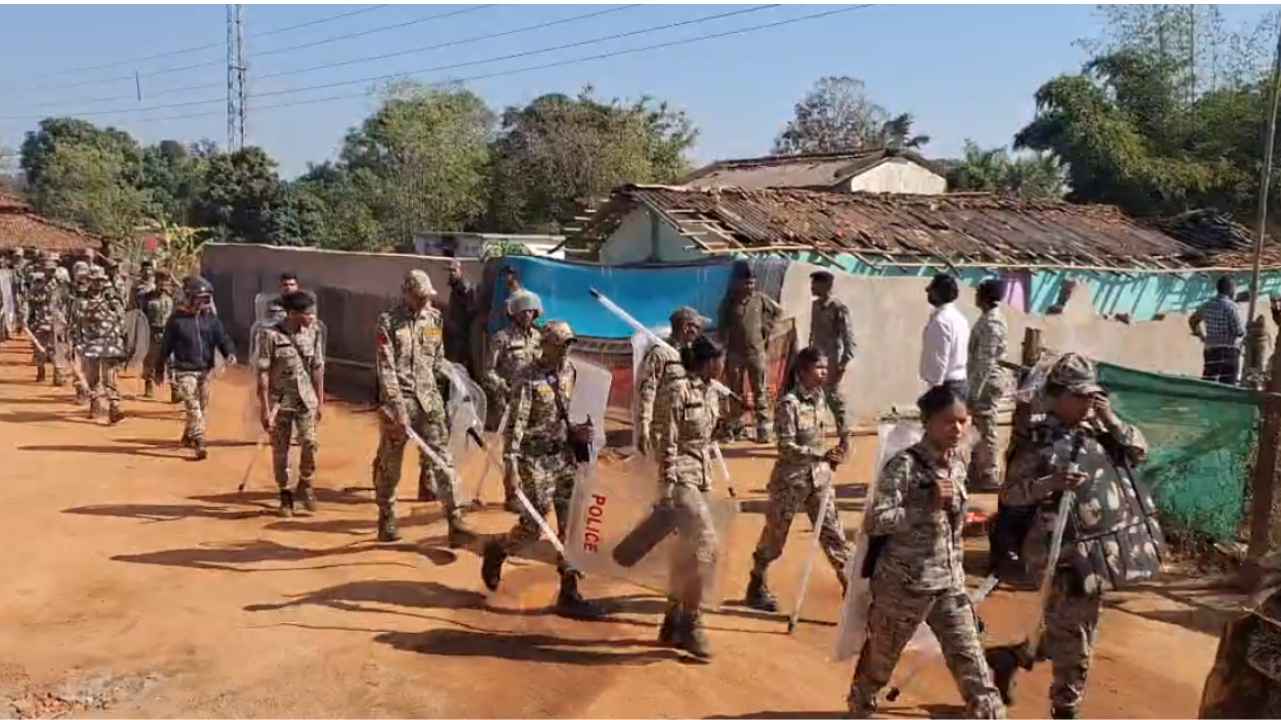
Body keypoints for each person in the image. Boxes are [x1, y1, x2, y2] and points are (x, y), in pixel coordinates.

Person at [991, 353, 1162, 719]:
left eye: (1092, 396)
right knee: (1076, 636)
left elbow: (1140, 452)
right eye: (1080, 396)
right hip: (1060, 555)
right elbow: (1011, 494)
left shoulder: (1099, 431)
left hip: (1100, 551)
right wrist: (1049, 483)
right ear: (1057, 396)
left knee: (1069, 630)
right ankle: (1065, 709)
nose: (1087, 403)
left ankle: (1013, 657)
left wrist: (1110, 417)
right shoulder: (1038, 440)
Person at [847, 384, 1006, 719]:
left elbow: (954, 521)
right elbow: (876, 521)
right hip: (904, 585)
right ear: (928, 421)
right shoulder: (904, 466)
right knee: (881, 660)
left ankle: (988, 712)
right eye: (949, 421)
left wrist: (975, 522)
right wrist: (925, 506)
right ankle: (860, 704)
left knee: (972, 663)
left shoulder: (959, 463)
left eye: (963, 422)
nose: (958, 429)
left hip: (949, 583)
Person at [481, 320, 604, 620]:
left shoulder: (571, 373)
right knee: (533, 527)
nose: (565, 351)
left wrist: (582, 431)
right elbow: (516, 424)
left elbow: (576, 413)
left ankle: (569, 592)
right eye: (560, 345)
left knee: (571, 525)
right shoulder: (528, 377)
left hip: (563, 457)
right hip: (532, 460)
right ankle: (498, 549)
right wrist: (510, 465)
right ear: (546, 345)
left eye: (568, 345)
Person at [372, 270, 475, 546]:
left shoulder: (434, 319)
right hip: (400, 402)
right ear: (406, 293)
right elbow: (386, 368)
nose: (424, 302)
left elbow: (437, 359)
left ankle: (455, 520)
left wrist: (457, 380)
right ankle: (387, 515)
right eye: (419, 297)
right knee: (390, 463)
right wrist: (396, 407)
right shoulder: (388, 323)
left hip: (430, 402)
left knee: (442, 458)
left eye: (427, 297)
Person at [744, 347, 851, 612]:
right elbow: (786, 446)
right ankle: (757, 583)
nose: (824, 372)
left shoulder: (821, 398)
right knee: (774, 538)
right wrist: (820, 455)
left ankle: (852, 591)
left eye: (825, 367)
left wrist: (838, 448)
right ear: (803, 371)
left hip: (820, 479)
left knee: (834, 536)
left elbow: (829, 429)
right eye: (819, 367)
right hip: (791, 480)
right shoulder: (788, 404)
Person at [652, 334, 727, 660]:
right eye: (720, 360)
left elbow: (710, 435)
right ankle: (691, 621)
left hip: (701, 476)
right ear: (709, 361)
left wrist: (736, 417)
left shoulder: (712, 392)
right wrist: (667, 485)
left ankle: (671, 619)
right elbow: (665, 438)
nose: (724, 366)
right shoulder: (678, 389)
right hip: (680, 478)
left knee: (684, 551)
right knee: (706, 544)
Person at [257, 290, 325, 517]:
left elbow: (317, 367)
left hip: (306, 399)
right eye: (307, 313)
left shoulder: (314, 333)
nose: (311, 317)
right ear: (293, 313)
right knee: (281, 450)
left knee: (310, 443)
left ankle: (306, 483)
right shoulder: (270, 336)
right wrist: (265, 408)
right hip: (281, 401)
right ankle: (285, 493)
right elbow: (264, 373)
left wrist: (320, 400)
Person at [153, 277, 236, 460]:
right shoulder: (177, 320)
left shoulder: (211, 320)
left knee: (203, 405)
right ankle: (199, 441)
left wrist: (229, 352)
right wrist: (159, 368)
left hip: (205, 370)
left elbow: (222, 338)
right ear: (190, 297)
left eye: (207, 298)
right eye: (201, 298)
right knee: (192, 404)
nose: (205, 302)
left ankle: (188, 433)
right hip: (184, 370)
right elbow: (166, 345)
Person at [484, 288, 543, 510]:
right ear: (514, 313)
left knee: (532, 449)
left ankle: (531, 493)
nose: (528, 315)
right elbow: (488, 371)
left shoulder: (540, 338)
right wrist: (504, 387)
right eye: (523, 311)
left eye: (531, 311)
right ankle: (512, 495)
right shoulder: (501, 339)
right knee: (512, 451)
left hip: (536, 404)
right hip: (510, 404)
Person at [718, 263, 783, 443]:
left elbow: (778, 312)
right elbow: (722, 324)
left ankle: (764, 431)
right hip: (735, 354)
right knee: (735, 393)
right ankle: (737, 429)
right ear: (738, 283)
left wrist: (766, 328)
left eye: (752, 283)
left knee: (759, 391)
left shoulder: (760, 299)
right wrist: (722, 343)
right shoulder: (730, 302)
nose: (750, 287)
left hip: (757, 353)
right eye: (747, 283)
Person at [636, 306, 705, 456]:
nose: (698, 332)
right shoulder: (660, 354)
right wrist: (644, 426)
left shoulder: (693, 356)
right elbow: (647, 391)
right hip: (664, 430)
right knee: (666, 474)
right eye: (696, 327)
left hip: (688, 429)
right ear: (686, 327)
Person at [967, 278, 1012, 491]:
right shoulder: (988, 318)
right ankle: (979, 471)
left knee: (986, 426)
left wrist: (974, 392)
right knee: (980, 426)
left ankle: (989, 474)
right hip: (983, 380)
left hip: (987, 382)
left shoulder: (992, 323)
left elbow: (985, 361)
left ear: (984, 298)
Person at [72, 267, 127, 424]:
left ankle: (114, 408)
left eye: (101, 281)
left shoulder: (113, 301)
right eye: (95, 281)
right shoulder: (81, 302)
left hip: (110, 345)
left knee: (110, 379)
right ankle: (95, 403)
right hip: (90, 345)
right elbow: (75, 324)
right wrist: (75, 343)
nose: (98, 284)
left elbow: (122, 320)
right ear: (89, 282)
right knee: (93, 378)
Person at [808, 269, 856, 439]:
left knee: (833, 396)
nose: (812, 287)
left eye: (815, 283)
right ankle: (815, 433)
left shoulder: (838, 307)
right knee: (815, 395)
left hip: (831, 359)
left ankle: (844, 434)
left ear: (826, 285)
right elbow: (813, 333)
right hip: (816, 358)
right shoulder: (815, 305)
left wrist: (844, 362)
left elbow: (848, 336)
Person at [920, 273, 970, 395]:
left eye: (931, 291)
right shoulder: (960, 318)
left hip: (944, 385)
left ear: (938, 293)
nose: (928, 294)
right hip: (959, 381)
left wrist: (934, 389)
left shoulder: (941, 320)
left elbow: (939, 356)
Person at [1190, 276, 1245, 385]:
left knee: (1208, 382)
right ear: (1231, 289)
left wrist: (1201, 336)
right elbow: (1239, 331)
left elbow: (1192, 320)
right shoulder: (1232, 307)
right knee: (1228, 384)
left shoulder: (1207, 305)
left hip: (1211, 350)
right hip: (1229, 351)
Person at [26, 255, 68, 385]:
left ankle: (59, 375)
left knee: (59, 348)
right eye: (47, 269)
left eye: (52, 269)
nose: (50, 271)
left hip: (58, 320)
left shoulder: (62, 283)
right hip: (41, 319)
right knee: (40, 348)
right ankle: (41, 370)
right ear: (43, 269)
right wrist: (29, 317)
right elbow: (30, 300)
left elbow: (67, 301)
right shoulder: (38, 283)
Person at [140, 274, 176, 399]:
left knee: (171, 361)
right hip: (152, 332)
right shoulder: (147, 298)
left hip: (168, 333)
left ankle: (175, 389)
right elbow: (141, 316)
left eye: (166, 283)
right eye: (161, 283)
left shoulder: (172, 298)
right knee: (150, 359)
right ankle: (148, 383)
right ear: (156, 283)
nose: (163, 286)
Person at [444, 259, 477, 373]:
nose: (451, 273)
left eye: (454, 270)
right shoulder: (455, 287)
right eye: (450, 271)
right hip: (453, 335)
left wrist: (459, 326)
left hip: (461, 336)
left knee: (459, 366)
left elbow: (471, 311)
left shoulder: (464, 288)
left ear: (461, 271)